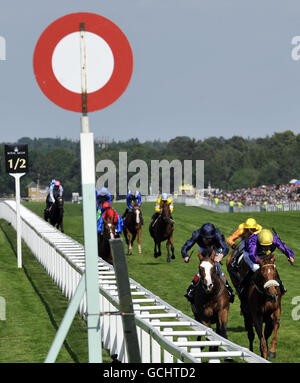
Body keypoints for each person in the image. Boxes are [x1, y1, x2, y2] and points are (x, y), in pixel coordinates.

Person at [182, 223, 235, 304]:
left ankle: (228, 289)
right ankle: (191, 288)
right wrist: (185, 255)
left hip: (216, 248)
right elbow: (185, 247)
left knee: (216, 266)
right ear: (201, 235)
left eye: (209, 238)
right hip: (203, 249)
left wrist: (221, 255)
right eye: (205, 238)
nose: (207, 240)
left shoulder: (217, 234)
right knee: (203, 267)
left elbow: (226, 248)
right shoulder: (196, 234)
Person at [239, 229, 294, 297]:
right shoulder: (253, 241)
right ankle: (243, 286)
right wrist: (261, 263)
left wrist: (290, 256)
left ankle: (281, 286)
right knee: (255, 268)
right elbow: (252, 255)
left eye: (268, 246)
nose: (266, 248)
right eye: (264, 246)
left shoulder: (274, 239)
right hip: (250, 254)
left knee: (272, 268)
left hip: (264, 254)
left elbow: (283, 247)